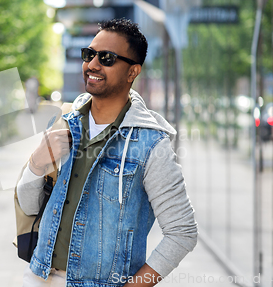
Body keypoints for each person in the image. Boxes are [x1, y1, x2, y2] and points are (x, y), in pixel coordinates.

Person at [17, 18, 197, 287]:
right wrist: (36, 162)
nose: (92, 64)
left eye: (107, 58)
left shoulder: (151, 144)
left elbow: (182, 232)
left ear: (132, 72)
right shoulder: (65, 121)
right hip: (38, 275)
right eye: (89, 54)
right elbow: (29, 206)